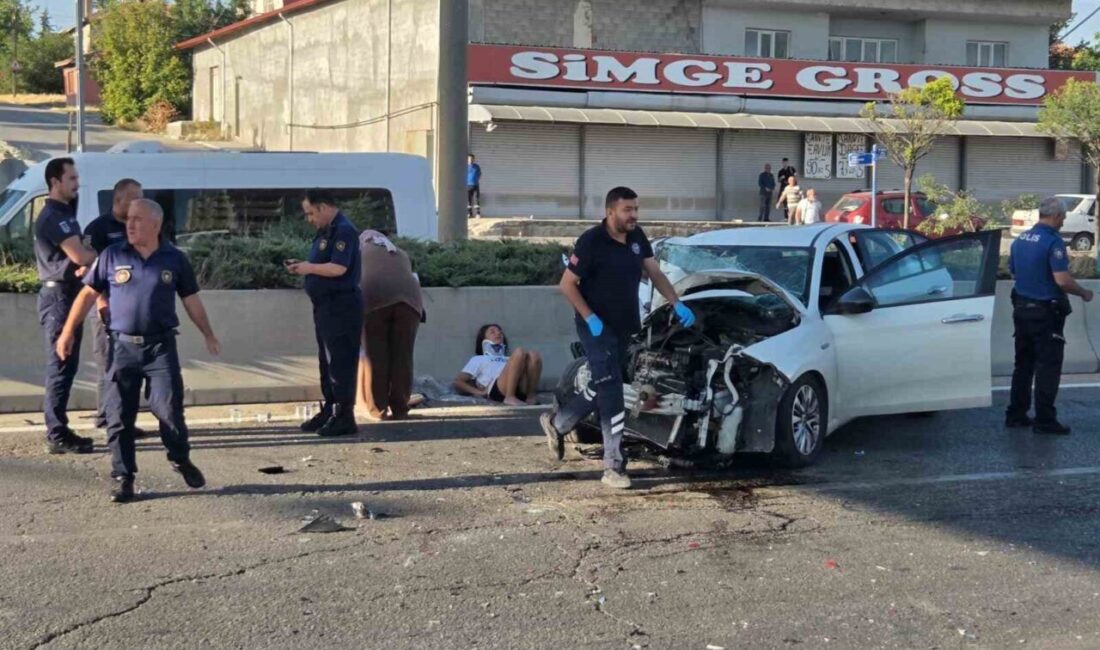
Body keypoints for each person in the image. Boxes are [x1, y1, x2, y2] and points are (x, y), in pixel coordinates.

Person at [55, 199, 220, 503]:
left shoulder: (174, 259)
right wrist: (67, 332)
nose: (130, 225)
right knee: (119, 416)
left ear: (155, 225)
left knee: (168, 408)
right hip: (122, 347)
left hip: (160, 347)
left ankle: (179, 458)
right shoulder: (112, 255)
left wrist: (208, 333)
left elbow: (191, 300)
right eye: (129, 219)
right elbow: (88, 294)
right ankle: (123, 477)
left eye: (138, 220)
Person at [539, 186, 695, 489]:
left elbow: (655, 273)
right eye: (628, 210)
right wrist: (590, 318)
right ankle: (614, 464)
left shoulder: (637, 237)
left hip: (625, 323)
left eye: (636, 208)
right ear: (611, 212)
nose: (634, 215)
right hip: (594, 324)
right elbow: (567, 284)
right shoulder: (591, 242)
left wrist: (676, 302)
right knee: (611, 390)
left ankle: (558, 423)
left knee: (605, 381)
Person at [1006, 196, 1094, 435]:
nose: (1063, 222)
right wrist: (1084, 292)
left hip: (1021, 309)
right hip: (1045, 313)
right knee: (1048, 366)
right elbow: (1062, 280)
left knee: (1023, 364)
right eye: (1063, 217)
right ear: (1055, 216)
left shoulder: (1020, 239)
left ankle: (1016, 414)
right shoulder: (1052, 242)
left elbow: (1013, 272)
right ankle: (1045, 420)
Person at [34, 157, 97, 455]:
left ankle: (59, 427)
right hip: (58, 298)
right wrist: (91, 254)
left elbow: (78, 258)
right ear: (55, 182)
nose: (77, 183)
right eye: (71, 178)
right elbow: (82, 256)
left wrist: (83, 257)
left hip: (68, 294)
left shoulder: (65, 213)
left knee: (67, 366)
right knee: (60, 364)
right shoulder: (54, 216)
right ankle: (56, 432)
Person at [287, 189, 363, 437]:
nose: (309, 219)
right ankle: (330, 408)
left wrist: (308, 267)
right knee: (327, 361)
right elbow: (324, 264)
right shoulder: (327, 231)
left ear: (322, 207)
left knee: (339, 362)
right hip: (325, 306)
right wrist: (304, 266)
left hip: (341, 305)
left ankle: (344, 416)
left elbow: (339, 268)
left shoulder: (343, 230)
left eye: (310, 213)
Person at [84, 178, 153, 436]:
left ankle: (123, 418)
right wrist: (102, 304)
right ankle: (107, 417)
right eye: (135, 198)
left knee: (128, 366)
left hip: (134, 308)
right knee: (108, 362)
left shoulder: (138, 227)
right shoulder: (99, 228)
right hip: (107, 305)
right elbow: (87, 271)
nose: (139, 203)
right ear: (119, 200)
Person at [357, 227, 424, 421]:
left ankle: (377, 409)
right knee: (403, 356)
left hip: (375, 301)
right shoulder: (400, 253)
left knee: (376, 357)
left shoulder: (360, 250)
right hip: (410, 304)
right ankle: (400, 407)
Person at [454, 324, 542, 406]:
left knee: (534, 355)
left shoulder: (510, 358)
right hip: (497, 390)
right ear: (483, 339)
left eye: (500, 331)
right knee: (519, 351)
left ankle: (530, 396)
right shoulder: (478, 359)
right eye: (492, 332)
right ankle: (509, 397)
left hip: (520, 388)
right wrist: (479, 392)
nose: (498, 333)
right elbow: (458, 381)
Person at [467, 154, 482, 218]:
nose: (471, 160)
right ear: (467, 159)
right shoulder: (465, 166)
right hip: (467, 185)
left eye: (472, 159)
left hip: (475, 185)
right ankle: (469, 213)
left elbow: (479, 174)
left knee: (476, 200)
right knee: (468, 200)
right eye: (469, 159)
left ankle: (478, 213)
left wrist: (476, 180)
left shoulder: (477, 166)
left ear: (474, 159)